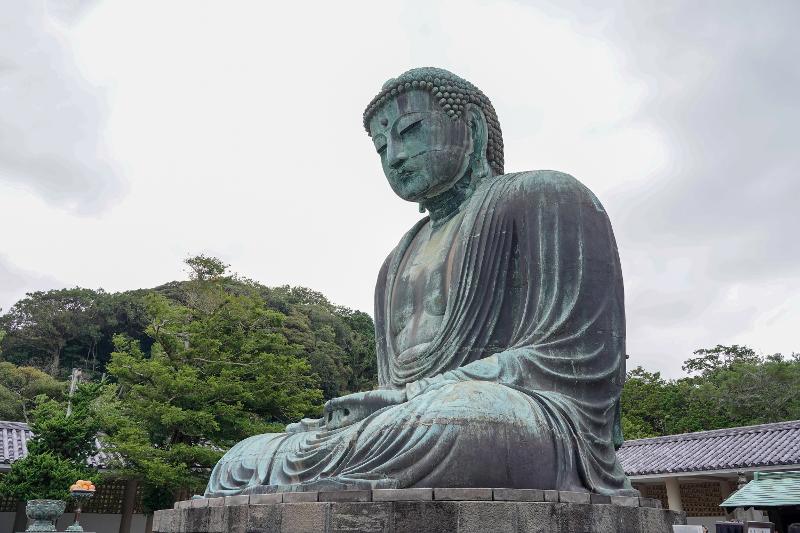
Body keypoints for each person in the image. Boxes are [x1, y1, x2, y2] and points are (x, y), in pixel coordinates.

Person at [204, 67, 635, 497]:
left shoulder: (547, 196)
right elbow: (390, 389)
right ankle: (337, 468)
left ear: (473, 129)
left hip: (523, 417)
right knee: (244, 457)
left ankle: (364, 462)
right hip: (407, 417)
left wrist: (424, 392)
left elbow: (582, 357)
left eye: (410, 131)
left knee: (456, 421)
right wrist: (373, 409)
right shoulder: (395, 262)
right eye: (381, 147)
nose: (394, 155)